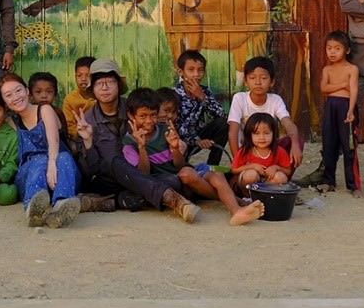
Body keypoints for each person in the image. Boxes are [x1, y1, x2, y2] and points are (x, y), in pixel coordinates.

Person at [72, 59, 200, 222]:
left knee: (173, 180)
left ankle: (112, 202)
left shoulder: (135, 107)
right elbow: (92, 170)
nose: (104, 87)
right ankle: (172, 199)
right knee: (114, 161)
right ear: (93, 89)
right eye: (99, 83)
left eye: (110, 82)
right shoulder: (87, 120)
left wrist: (178, 143)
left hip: (142, 175)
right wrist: (88, 141)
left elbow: (161, 125)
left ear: (118, 85)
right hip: (108, 180)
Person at [122, 88, 262, 227]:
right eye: (143, 116)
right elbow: (143, 175)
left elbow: (179, 164)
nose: (149, 121)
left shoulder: (165, 130)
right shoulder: (129, 143)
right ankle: (239, 202)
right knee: (186, 173)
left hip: (183, 176)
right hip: (167, 184)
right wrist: (141, 147)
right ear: (131, 115)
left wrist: (175, 148)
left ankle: (236, 211)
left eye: (153, 115)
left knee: (216, 175)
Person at [0, 73, 82, 228]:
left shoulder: (44, 110)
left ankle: (61, 206)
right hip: (32, 178)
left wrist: (52, 163)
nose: (15, 97)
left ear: (26, 91)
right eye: (8, 95)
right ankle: (34, 208)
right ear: (4, 101)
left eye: (18, 91)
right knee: (38, 160)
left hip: (61, 175)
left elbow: (54, 141)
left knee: (63, 157)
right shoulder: (11, 121)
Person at [226, 56, 303, 176]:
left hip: (268, 152)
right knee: (248, 177)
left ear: (272, 82)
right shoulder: (239, 98)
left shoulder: (275, 100)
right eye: (252, 78)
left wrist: (295, 144)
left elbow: (289, 124)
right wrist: (238, 162)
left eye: (263, 78)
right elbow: (232, 132)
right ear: (246, 81)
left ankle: (282, 177)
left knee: (295, 140)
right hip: (247, 153)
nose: (258, 82)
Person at [318, 31, 361, 196]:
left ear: (347, 50)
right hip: (330, 106)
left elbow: (354, 90)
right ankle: (329, 181)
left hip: (346, 106)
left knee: (348, 145)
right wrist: (343, 84)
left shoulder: (352, 69)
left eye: (337, 48)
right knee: (329, 144)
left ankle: (353, 185)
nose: (332, 52)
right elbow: (324, 88)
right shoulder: (327, 69)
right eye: (329, 48)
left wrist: (351, 110)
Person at [171, 51, 226, 166]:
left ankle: (213, 166)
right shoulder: (174, 95)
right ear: (181, 72)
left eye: (200, 70)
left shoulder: (204, 91)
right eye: (191, 70)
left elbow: (221, 114)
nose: (196, 74)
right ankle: (181, 164)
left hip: (199, 135)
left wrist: (202, 97)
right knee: (184, 169)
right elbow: (179, 126)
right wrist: (196, 141)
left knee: (223, 123)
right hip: (179, 140)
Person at [231, 113, 292, 188]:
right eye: (257, 133)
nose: (262, 137)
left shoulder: (279, 151)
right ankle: (248, 197)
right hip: (248, 184)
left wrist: (276, 168)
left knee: (280, 177)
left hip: (269, 182)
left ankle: (268, 195)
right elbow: (234, 169)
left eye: (266, 133)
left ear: (273, 133)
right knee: (251, 175)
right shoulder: (244, 151)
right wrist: (252, 166)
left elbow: (288, 171)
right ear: (250, 135)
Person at [61, 56, 96, 139]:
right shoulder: (70, 99)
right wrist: (81, 133)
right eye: (79, 75)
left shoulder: (101, 96)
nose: (83, 79)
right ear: (75, 76)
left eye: (88, 75)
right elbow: (68, 125)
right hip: (79, 137)